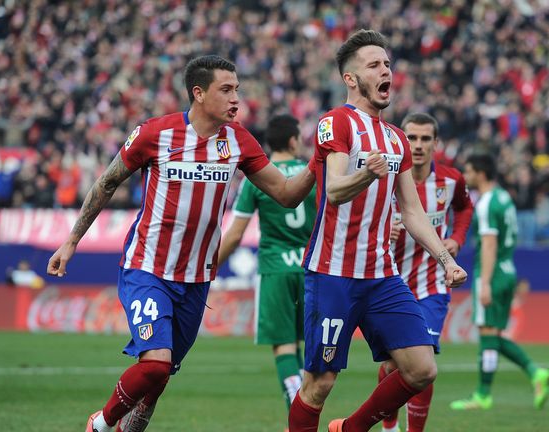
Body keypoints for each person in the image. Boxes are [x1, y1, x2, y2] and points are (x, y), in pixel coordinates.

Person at [46, 55, 315, 432]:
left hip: (195, 281)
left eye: (237, 89)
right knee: (154, 363)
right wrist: (72, 241)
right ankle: (101, 424)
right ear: (199, 93)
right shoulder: (156, 133)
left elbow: (286, 194)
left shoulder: (238, 141)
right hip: (148, 268)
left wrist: (319, 159)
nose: (236, 98)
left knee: (159, 378)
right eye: (226, 90)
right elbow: (107, 183)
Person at [287, 30, 467, 432]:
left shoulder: (396, 139)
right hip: (333, 273)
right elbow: (333, 190)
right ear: (351, 79)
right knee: (320, 384)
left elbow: (414, 211)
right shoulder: (335, 123)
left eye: (387, 64)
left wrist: (446, 260)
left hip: (382, 276)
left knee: (421, 369)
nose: (386, 71)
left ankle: (350, 429)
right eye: (374, 65)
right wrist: (367, 173)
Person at [216, 114, 316, 425]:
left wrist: (206, 269)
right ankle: (307, 417)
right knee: (310, 348)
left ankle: (297, 419)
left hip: (275, 270)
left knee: (285, 346)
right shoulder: (314, 174)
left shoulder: (256, 179)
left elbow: (233, 236)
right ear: (292, 140)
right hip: (313, 269)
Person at [377, 112, 473, 432]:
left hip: (432, 283)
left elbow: (464, 209)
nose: (417, 145)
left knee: (424, 362)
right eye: (411, 138)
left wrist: (457, 239)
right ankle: (388, 422)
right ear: (400, 140)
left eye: (424, 139)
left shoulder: (451, 180)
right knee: (393, 365)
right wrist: (382, 229)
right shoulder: (384, 177)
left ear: (436, 143)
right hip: (390, 283)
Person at [451, 153, 549, 411]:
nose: (466, 176)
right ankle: (533, 373)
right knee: (492, 334)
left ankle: (484, 394)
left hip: (492, 273)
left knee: (487, 334)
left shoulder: (485, 204)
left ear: (481, 173)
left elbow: (490, 244)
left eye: (470, 171)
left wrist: (484, 282)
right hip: (508, 269)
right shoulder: (505, 197)